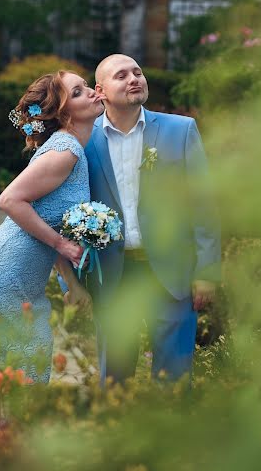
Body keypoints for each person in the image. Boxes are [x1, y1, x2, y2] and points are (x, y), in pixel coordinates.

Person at [58, 53, 221, 384]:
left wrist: (206, 271)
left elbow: (204, 203)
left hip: (173, 272)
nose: (134, 78)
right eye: (122, 75)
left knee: (175, 378)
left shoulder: (181, 130)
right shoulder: (80, 145)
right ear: (100, 91)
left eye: (138, 72)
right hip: (113, 277)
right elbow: (63, 213)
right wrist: (72, 283)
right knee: (114, 377)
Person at [0, 70, 103, 383]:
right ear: (63, 114)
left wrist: (73, 286)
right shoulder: (66, 150)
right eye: (77, 92)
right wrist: (62, 245)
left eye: (85, 86)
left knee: (14, 375)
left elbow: (50, 218)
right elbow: (8, 200)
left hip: (19, 278)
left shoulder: (72, 149)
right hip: (2, 275)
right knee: (17, 377)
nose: (89, 92)